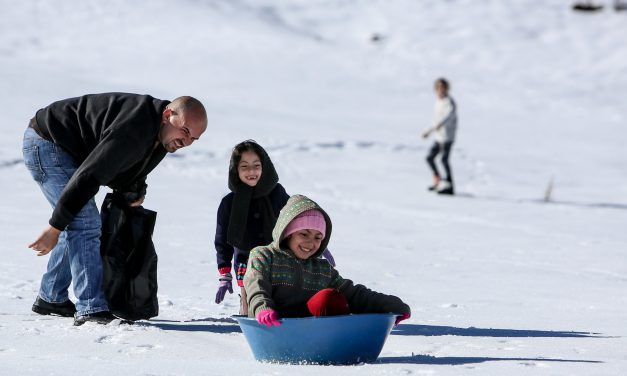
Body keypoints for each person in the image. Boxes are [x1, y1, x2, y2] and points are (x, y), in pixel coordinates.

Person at [23, 93, 208, 326]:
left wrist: (133, 191)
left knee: (82, 222)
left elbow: (135, 166)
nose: (187, 142)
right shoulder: (134, 127)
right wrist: (54, 226)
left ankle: (51, 297)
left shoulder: (162, 134)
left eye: (194, 139)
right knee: (84, 221)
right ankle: (91, 307)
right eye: (185, 132)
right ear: (168, 115)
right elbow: (90, 175)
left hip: (71, 151)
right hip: (47, 143)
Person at [244, 194, 411, 327]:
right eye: (304, 234)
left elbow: (355, 295)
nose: (311, 243)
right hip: (270, 327)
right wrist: (262, 308)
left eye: (318, 237)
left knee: (330, 297)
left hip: (310, 333)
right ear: (287, 233)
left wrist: (391, 305)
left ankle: (340, 341)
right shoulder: (264, 255)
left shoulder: (321, 269)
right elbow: (256, 284)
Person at [214, 141, 334, 315]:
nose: (251, 171)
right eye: (244, 166)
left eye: (256, 166)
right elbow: (222, 239)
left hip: (277, 259)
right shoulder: (228, 203)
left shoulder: (276, 192)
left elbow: (297, 218)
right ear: (236, 170)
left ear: (265, 167)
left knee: (279, 303)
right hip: (246, 262)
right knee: (250, 306)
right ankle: (251, 325)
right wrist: (224, 273)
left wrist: (320, 244)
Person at [422, 78, 457, 195]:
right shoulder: (438, 103)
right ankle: (438, 180)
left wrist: (440, 124)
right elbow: (435, 120)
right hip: (438, 137)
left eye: (443, 87)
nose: (441, 90)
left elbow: (448, 116)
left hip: (447, 137)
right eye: (438, 88)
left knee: (444, 159)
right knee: (429, 157)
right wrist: (428, 131)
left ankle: (449, 185)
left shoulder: (449, 102)